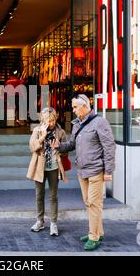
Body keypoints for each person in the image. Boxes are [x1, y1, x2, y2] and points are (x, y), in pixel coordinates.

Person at [51, 94, 116, 251]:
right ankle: (98, 232)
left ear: (85, 106)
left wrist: (108, 170)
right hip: (82, 171)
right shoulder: (77, 125)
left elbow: (109, 147)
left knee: (94, 203)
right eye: (72, 107)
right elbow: (72, 144)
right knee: (89, 203)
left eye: (75, 107)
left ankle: (93, 237)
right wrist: (59, 146)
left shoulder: (100, 123)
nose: (73, 110)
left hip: (96, 170)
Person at [27, 107, 68, 237]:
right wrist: (42, 137)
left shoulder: (60, 132)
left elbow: (67, 149)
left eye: (52, 120)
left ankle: (53, 223)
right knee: (39, 195)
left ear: (56, 118)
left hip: (54, 168)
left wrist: (59, 147)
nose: (50, 123)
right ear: (42, 120)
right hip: (40, 167)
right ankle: (40, 221)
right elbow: (32, 147)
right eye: (47, 120)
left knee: (53, 196)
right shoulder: (37, 130)